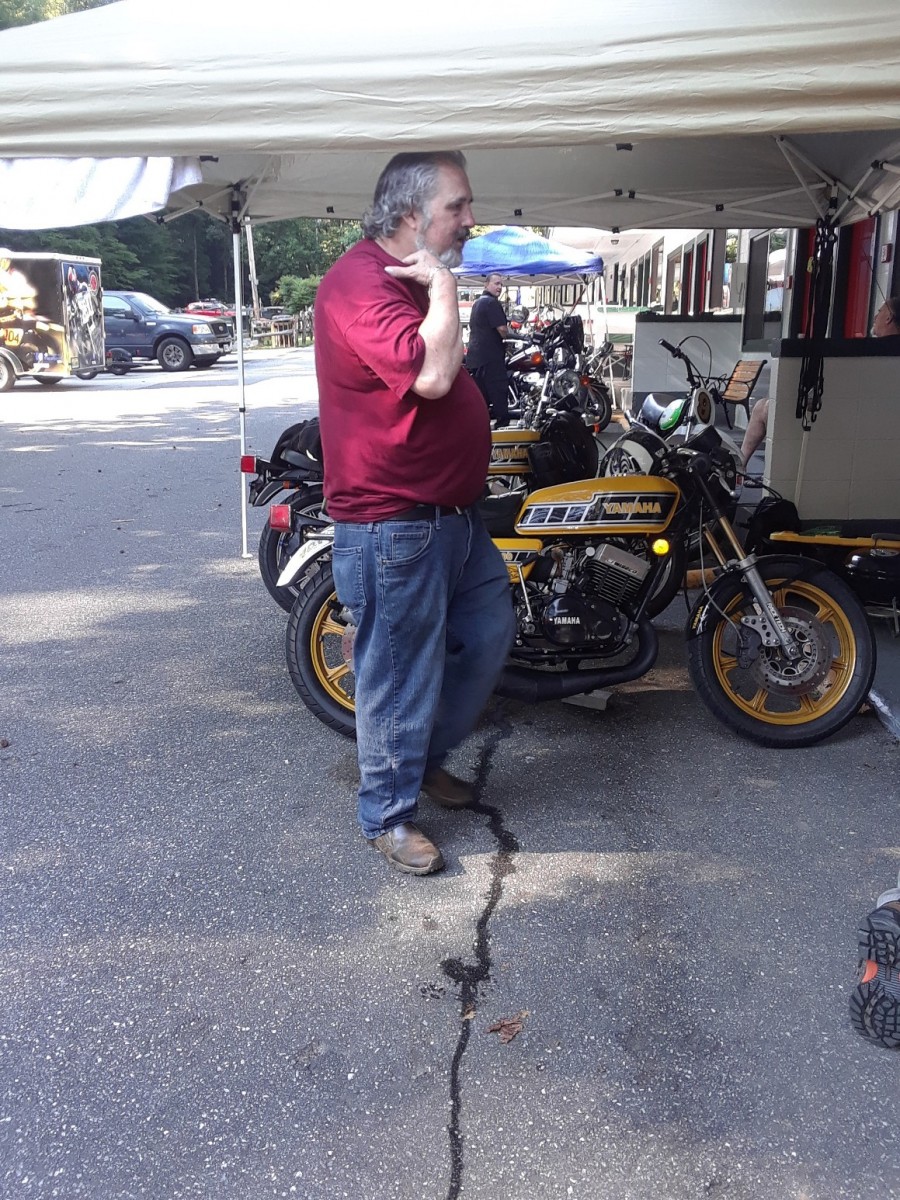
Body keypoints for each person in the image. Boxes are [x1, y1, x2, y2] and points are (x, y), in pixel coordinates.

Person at [314, 151, 516, 876]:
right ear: (410, 214)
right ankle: (387, 816)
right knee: (398, 672)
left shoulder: (408, 281)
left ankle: (421, 761)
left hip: (451, 517)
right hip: (393, 521)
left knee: (489, 635)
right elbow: (432, 376)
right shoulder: (358, 283)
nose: (470, 219)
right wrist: (447, 287)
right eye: (458, 206)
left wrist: (437, 286)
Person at [740, 295, 900, 467]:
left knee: (764, 408)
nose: (875, 316)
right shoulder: (877, 354)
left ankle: (742, 465)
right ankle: (740, 464)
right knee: (765, 406)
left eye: (880, 311)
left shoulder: (873, 355)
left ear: (889, 317)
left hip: (844, 419)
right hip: (848, 415)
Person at [465, 272, 510, 426]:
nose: (500, 287)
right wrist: (512, 336)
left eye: (501, 284)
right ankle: (503, 425)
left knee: (482, 396)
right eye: (496, 283)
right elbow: (502, 329)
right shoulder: (492, 303)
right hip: (490, 357)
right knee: (499, 390)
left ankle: (480, 426)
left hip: (476, 357)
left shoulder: (478, 302)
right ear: (486, 284)